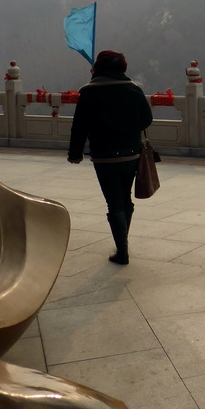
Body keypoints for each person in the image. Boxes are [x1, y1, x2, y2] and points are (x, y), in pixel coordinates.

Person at [67, 50, 154, 265]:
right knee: (126, 199)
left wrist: (75, 154)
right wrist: (127, 129)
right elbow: (146, 119)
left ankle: (122, 250)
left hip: (104, 157)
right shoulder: (133, 89)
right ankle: (122, 242)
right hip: (131, 153)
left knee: (114, 202)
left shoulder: (89, 92)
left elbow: (79, 126)